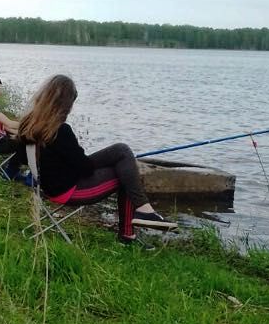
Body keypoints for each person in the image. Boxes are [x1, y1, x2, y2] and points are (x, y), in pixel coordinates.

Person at [17, 74, 177, 244]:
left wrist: (65, 159)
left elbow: (22, 158)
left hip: (49, 186)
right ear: (65, 104)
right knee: (126, 172)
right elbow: (85, 169)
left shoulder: (29, 125)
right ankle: (133, 225)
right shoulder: (61, 131)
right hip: (67, 191)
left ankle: (142, 213)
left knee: (121, 152)